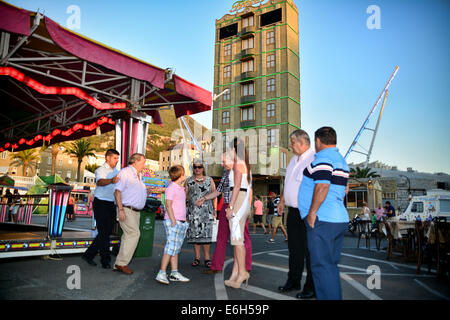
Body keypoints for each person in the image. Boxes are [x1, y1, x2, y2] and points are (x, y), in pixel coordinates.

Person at [298, 127, 350, 300]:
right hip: (337, 219)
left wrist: (312, 212)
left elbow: (322, 186)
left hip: (323, 220)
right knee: (330, 267)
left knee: (322, 267)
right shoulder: (341, 159)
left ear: (318, 141)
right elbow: (345, 189)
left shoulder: (324, 158)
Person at [198, 152, 253, 275]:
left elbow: (249, 190)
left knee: (242, 237)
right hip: (226, 206)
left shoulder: (243, 170)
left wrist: (248, 208)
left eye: (224, 161)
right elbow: (218, 191)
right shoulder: (226, 174)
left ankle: (246, 266)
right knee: (221, 237)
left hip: (239, 206)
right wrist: (205, 198)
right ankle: (216, 266)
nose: (222, 164)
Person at [277, 129, 316, 299]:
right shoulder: (293, 160)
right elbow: (288, 183)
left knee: (310, 252)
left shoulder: (315, 159)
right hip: (292, 211)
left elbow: (319, 187)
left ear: (302, 142)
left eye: (293, 142)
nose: (291, 145)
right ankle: (293, 281)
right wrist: (282, 200)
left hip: (307, 213)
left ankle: (311, 287)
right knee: (294, 250)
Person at [82, 149, 120, 269]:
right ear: (107, 158)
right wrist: (111, 180)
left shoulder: (117, 172)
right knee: (104, 232)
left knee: (106, 233)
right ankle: (105, 260)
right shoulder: (100, 170)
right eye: (115, 158)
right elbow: (100, 182)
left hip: (111, 204)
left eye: (118, 159)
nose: (117, 161)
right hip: (101, 203)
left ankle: (89, 254)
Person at [223, 138, 253, 289]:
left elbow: (235, 188)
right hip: (244, 200)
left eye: (228, 149)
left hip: (239, 200)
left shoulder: (238, 164)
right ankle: (236, 273)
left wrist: (230, 207)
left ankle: (242, 272)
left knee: (237, 239)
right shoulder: (245, 164)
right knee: (237, 239)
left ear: (234, 150)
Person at [113, 153, 147, 275]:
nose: (144, 165)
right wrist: (120, 209)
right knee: (134, 234)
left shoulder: (139, 175)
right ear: (135, 162)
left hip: (135, 211)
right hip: (127, 209)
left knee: (128, 236)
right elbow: (117, 192)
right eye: (143, 162)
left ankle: (119, 263)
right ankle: (122, 263)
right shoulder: (126, 172)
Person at [156, 165, 190, 284]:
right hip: (173, 221)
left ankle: (174, 272)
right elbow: (168, 204)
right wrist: (173, 220)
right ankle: (162, 272)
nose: (185, 175)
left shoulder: (180, 188)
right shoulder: (171, 188)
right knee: (170, 248)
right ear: (181, 175)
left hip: (180, 222)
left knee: (175, 248)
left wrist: (183, 220)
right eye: (184, 173)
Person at [185, 160, 217, 268]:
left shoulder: (209, 180)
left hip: (207, 211)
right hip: (193, 211)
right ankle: (197, 258)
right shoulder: (188, 181)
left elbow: (214, 194)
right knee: (195, 235)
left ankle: (207, 258)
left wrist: (215, 210)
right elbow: (185, 196)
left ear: (203, 168)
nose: (197, 169)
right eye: (195, 167)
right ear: (193, 169)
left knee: (206, 235)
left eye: (199, 167)